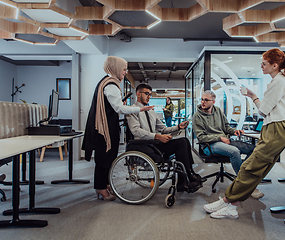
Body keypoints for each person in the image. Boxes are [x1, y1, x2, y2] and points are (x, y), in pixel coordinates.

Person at [203, 48, 285, 219]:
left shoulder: (279, 81)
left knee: (250, 169)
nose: (261, 66)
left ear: (274, 65)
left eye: (264, 64)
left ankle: (229, 203)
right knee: (255, 170)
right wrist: (253, 96)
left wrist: (254, 97)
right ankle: (229, 202)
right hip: (277, 129)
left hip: (276, 130)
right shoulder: (281, 81)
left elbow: (263, 111)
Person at [82, 56, 154, 201]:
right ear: (115, 68)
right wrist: (139, 110)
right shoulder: (110, 85)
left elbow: (113, 106)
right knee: (104, 157)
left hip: (106, 126)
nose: (125, 72)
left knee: (108, 157)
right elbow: (118, 108)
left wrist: (122, 104)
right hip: (105, 129)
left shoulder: (107, 82)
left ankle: (105, 184)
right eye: (123, 69)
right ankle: (100, 188)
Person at [126, 83, 202, 193]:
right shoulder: (132, 110)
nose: (149, 96)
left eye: (150, 94)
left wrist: (177, 127)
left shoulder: (151, 111)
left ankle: (187, 175)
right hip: (143, 146)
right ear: (138, 94)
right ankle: (186, 179)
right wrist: (156, 136)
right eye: (146, 93)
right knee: (181, 143)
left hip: (154, 144)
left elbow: (163, 129)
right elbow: (136, 130)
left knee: (184, 141)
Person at [192, 90, 263, 199]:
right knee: (234, 151)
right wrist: (219, 138)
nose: (203, 102)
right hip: (209, 145)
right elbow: (201, 137)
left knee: (254, 150)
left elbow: (226, 127)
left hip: (225, 141)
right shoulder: (197, 116)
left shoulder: (218, 111)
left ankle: (243, 175)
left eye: (206, 100)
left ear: (213, 101)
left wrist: (234, 131)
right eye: (202, 99)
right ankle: (245, 185)